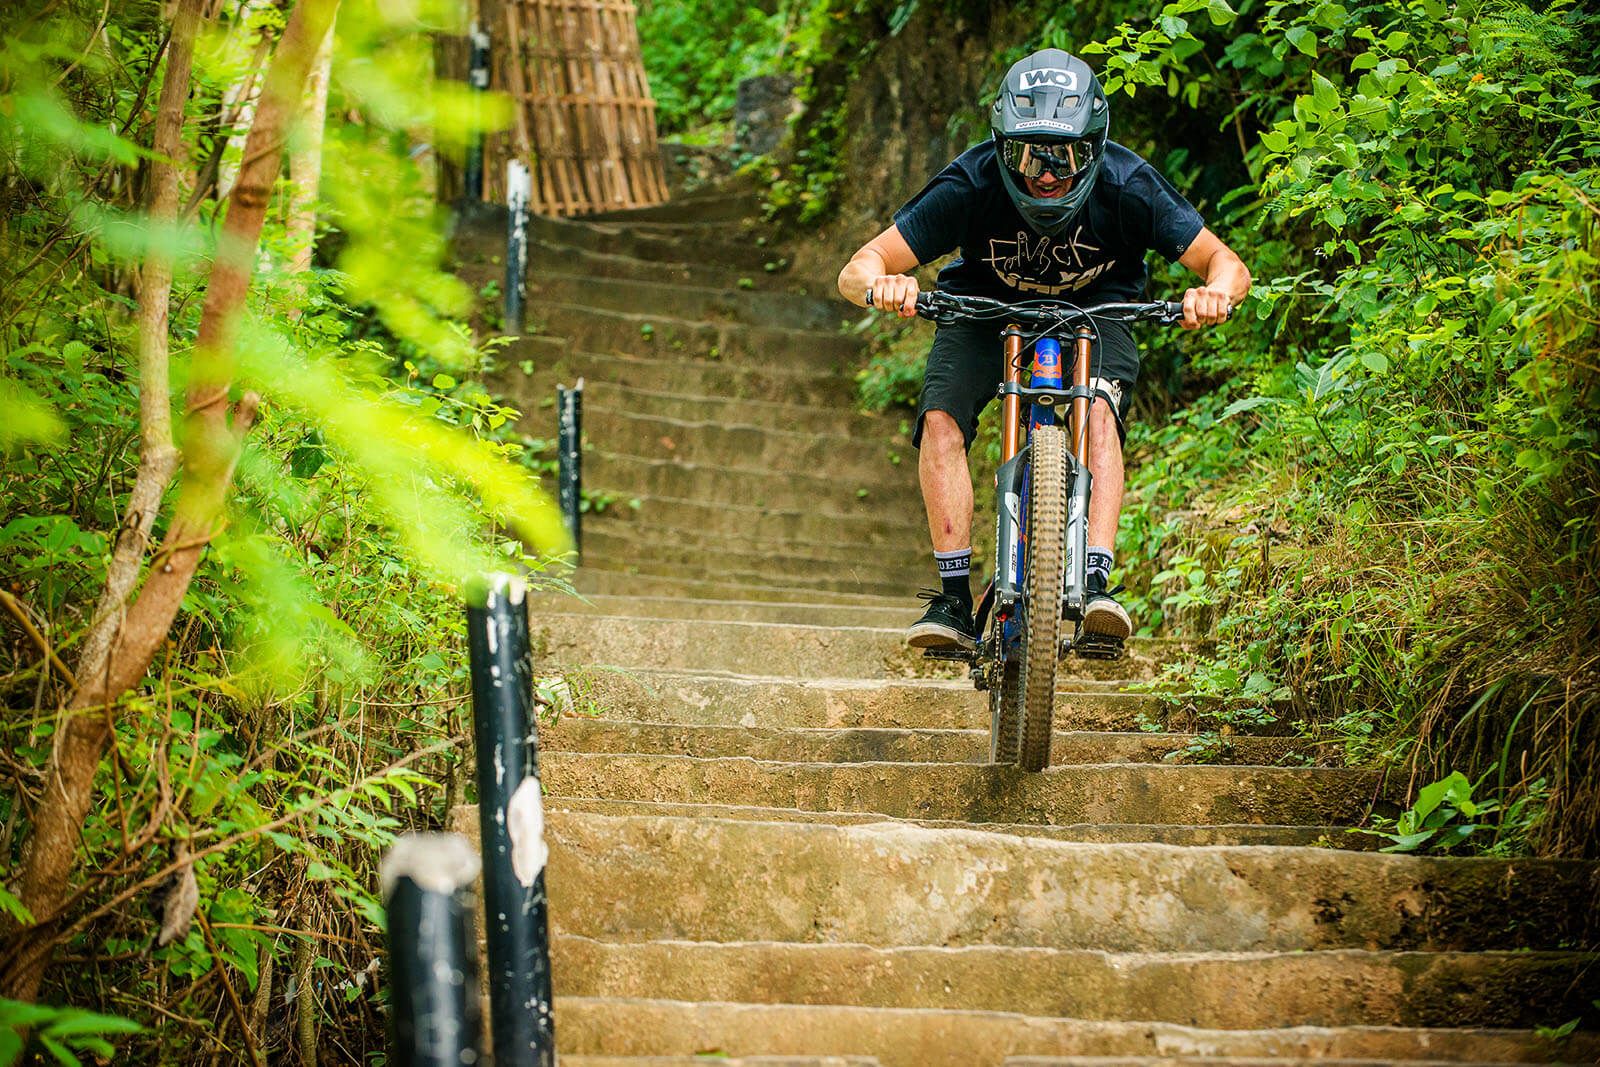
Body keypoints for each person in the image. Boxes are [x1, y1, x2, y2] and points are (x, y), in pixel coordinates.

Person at [837, 47, 1251, 652]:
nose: (1048, 172)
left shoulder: (1127, 184)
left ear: (1094, 148)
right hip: (984, 306)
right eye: (1031, 153)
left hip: (1100, 308)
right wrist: (884, 282)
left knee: (1099, 413)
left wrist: (1211, 295)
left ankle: (1094, 584)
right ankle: (954, 599)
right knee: (941, 423)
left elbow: (1226, 264)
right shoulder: (972, 181)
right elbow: (857, 267)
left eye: (1066, 154)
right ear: (1004, 149)